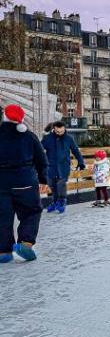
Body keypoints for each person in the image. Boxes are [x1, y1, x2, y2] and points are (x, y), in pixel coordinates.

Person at [0, 105, 48, 263]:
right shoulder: (29, 136)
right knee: (31, 211)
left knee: (3, 216)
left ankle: (4, 252)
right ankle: (25, 243)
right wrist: (43, 179)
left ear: (5, 117)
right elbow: (41, 160)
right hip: (25, 181)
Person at [42, 121, 85, 214]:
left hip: (64, 166)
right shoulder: (47, 138)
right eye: (57, 132)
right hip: (51, 166)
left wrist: (81, 162)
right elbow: (39, 149)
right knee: (52, 185)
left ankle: (62, 201)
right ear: (54, 129)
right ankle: (55, 202)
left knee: (61, 184)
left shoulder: (69, 138)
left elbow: (75, 151)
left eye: (61, 131)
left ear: (64, 129)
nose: (60, 133)